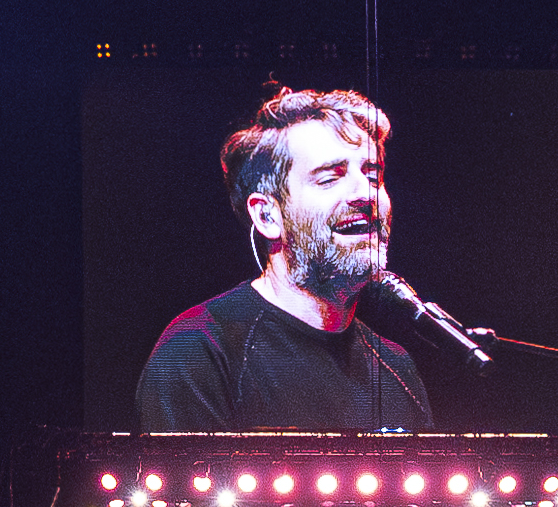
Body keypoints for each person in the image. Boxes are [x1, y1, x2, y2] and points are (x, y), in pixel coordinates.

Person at [136, 85, 440, 435]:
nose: (364, 193)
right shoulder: (197, 351)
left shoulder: (395, 368)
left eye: (373, 175)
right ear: (267, 215)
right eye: (330, 177)